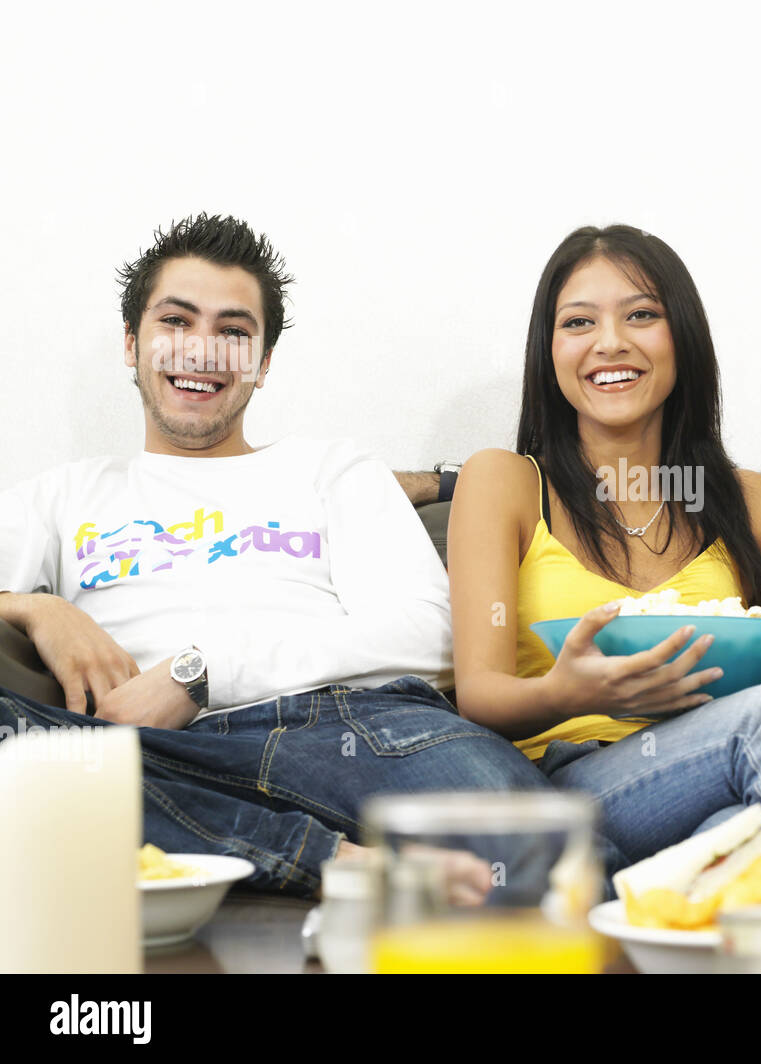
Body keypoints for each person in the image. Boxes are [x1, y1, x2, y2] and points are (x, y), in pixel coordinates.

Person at [0, 214, 550, 896]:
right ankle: (331, 861)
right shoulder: (62, 495)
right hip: (157, 758)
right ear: (130, 344)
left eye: (233, 332)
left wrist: (201, 672)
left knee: (539, 863)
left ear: (261, 365)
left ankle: (255, 851)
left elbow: (432, 632)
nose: (203, 352)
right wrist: (34, 606)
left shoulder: (335, 470)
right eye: (176, 321)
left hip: (354, 733)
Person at [447, 224, 761, 907]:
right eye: (579, 322)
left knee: (751, 839)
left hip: (730, 771)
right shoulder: (506, 481)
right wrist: (576, 692)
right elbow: (481, 694)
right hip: (573, 785)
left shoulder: (742, 498)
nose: (610, 342)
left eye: (641, 314)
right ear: (549, 351)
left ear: (683, 339)